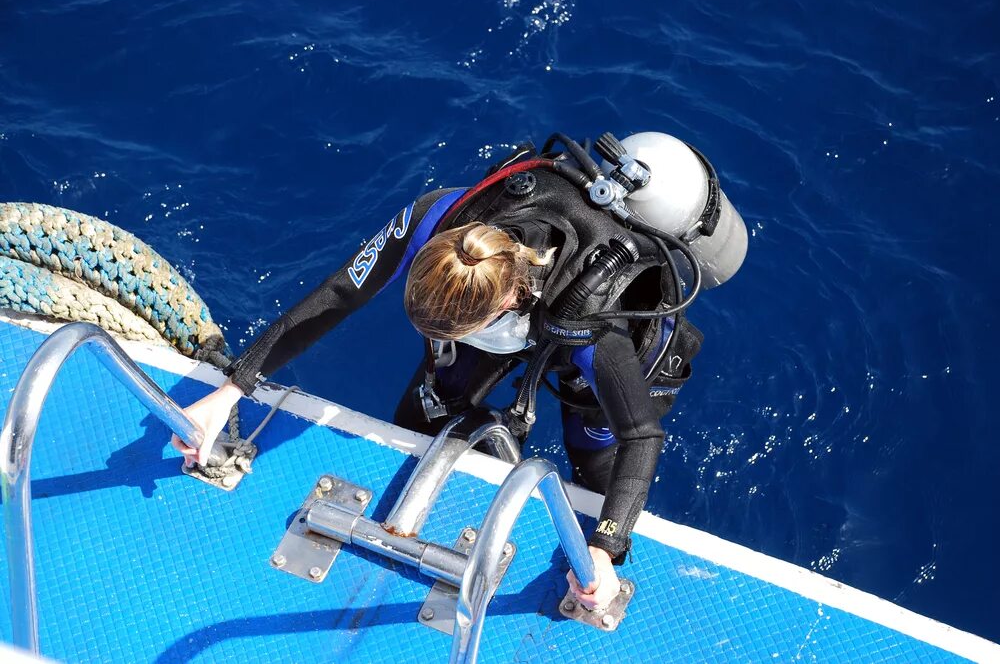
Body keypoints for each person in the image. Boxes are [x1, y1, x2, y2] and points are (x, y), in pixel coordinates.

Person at [170, 131, 748, 612]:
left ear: (502, 305)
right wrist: (232, 388)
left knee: (596, 466)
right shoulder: (432, 215)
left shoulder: (589, 320)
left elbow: (641, 433)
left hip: (598, 328)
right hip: (511, 314)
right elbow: (340, 294)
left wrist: (606, 545)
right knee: (423, 411)